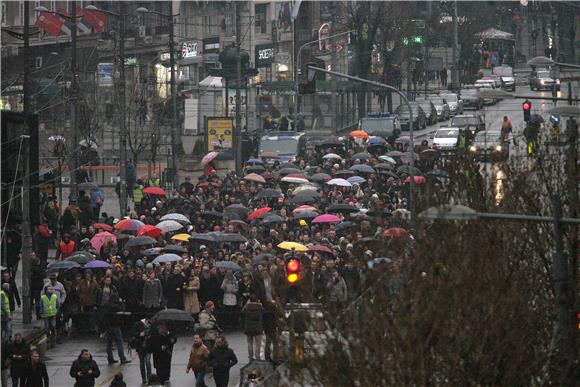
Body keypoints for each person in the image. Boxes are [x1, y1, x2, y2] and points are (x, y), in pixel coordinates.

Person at [96, 277, 130, 365]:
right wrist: (121, 302)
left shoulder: (107, 306)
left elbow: (103, 317)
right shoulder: (117, 307)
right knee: (119, 342)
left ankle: (110, 358)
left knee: (109, 344)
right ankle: (122, 358)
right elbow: (122, 310)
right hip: (116, 326)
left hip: (108, 326)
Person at [130, 317, 153, 384]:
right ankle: (144, 378)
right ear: (146, 319)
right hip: (140, 347)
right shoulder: (138, 324)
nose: (149, 322)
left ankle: (149, 378)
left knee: (148, 362)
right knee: (142, 363)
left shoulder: (151, 325)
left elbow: (154, 333)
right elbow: (132, 333)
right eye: (148, 321)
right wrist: (139, 334)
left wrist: (150, 336)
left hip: (148, 347)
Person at [242, 294, 264, 360]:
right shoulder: (260, 306)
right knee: (258, 343)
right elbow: (263, 312)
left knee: (249, 343)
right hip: (258, 327)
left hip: (249, 327)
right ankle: (257, 357)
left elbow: (242, 312)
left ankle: (250, 357)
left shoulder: (247, 307)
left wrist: (246, 304)